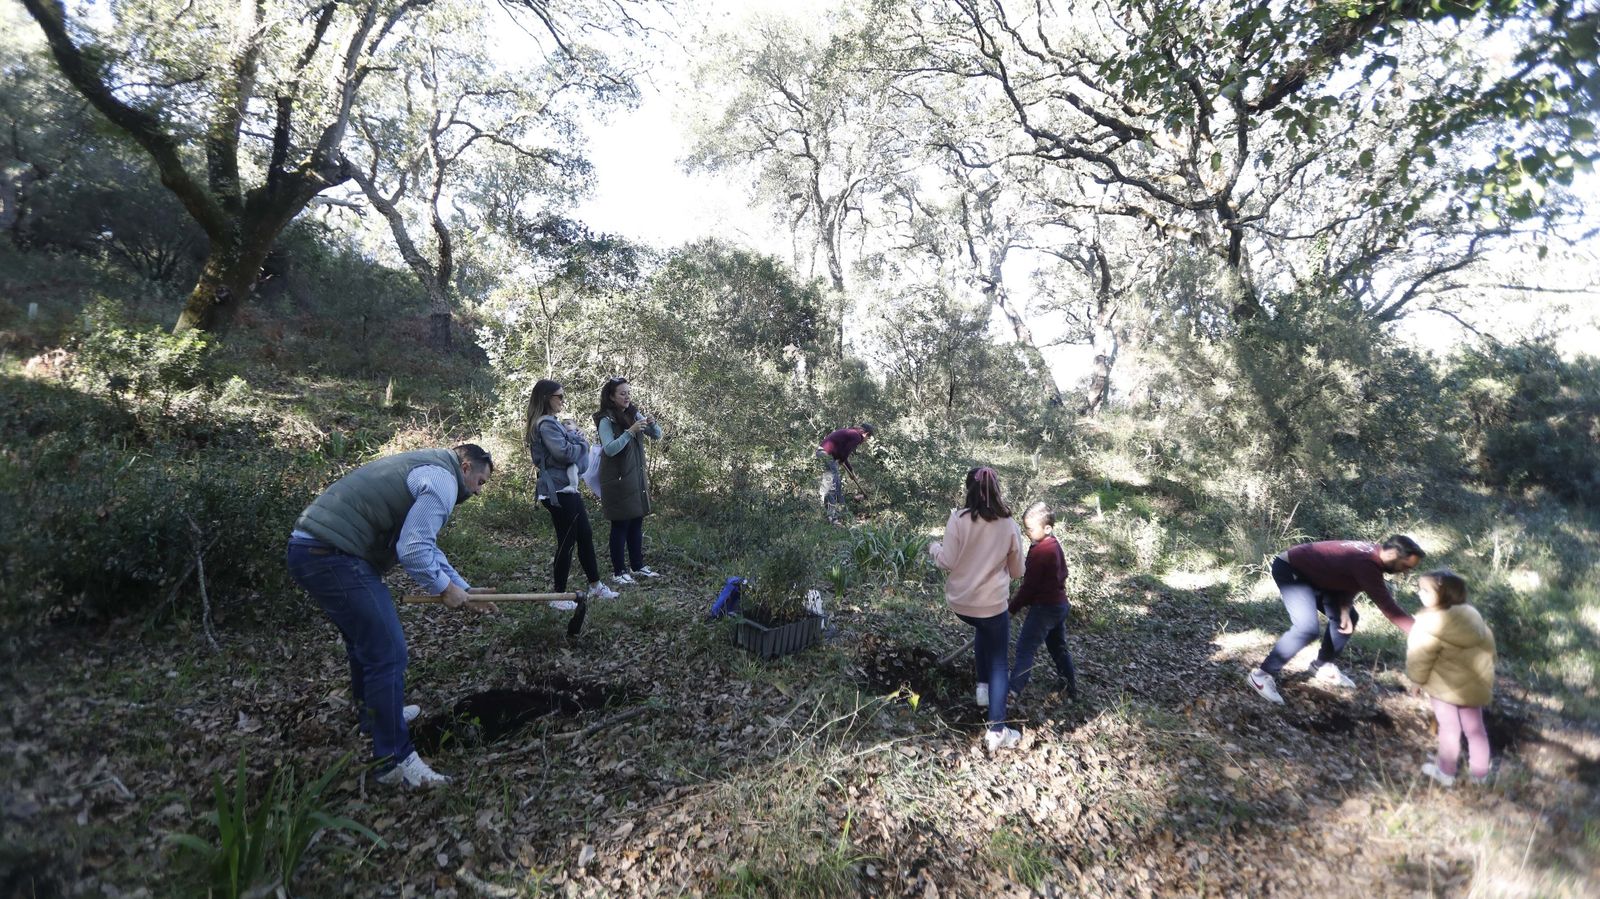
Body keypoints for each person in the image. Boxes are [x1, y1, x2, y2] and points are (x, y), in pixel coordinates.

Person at [285, 444, 499, 788]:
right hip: (331, 554)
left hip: (310, 548)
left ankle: (374, 718)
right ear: (465, 466)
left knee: (365, 644)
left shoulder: (431, 468)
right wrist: (445, 589)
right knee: (388, 652)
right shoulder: (443, 481)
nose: (477, 491)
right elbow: (413, 549)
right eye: (480, 481)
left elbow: (423, 545)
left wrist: (464, 589)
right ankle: (395, 761)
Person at [1247, 535, 1426, 705]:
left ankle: (1322, 665)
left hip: (1317, 576)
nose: (1406, 572)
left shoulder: (1373, 556)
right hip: (1292, 569)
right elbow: (1388, 607)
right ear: (1393, 554)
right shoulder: (1367, 562)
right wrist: (1421, 632)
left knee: (1348, 618)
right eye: (1405, 566)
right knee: (1306, 628)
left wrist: (1345, 607)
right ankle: (1261, 676)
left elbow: (1348, 578)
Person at [929, 467, 1026, 751]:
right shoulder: (1009, 524)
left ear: (967, 490)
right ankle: (997, 730)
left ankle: (983, 689)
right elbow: (1017, 571)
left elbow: (946, 561)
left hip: (962, 604)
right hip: (992, 606)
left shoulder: (958, 519)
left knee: (983, 630)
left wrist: (934, 548)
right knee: (999, 663)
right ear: (997, 490)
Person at [526, 380, 619, 603]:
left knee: (584, 535)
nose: (563, 401)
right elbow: (564, 454)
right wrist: (581, 442)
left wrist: (574, 438)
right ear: (546, 397)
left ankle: (595, 586)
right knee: (567, 541)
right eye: (559, 396)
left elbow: (567, 451)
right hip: (557, 491)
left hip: (566, 489)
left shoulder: (552, 423)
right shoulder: (546, 425)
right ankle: (558, 595)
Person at [1406, 569, 1496, 786]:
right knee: (1476, 730)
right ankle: (1480, 775)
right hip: (1473, 688)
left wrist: (1416, 681)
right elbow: (1490, 654)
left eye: (1425, 590)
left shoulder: (1428, 623)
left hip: (1443, 688)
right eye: (1420, 589)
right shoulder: (1474, 620)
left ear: (1444, 594)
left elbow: (1420, 656)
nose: (1419, 593)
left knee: (1449, 729)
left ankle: (1446, 772)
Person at [593, 377, 664, 585]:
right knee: (620, 524)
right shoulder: (606, 420)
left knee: (636, 521)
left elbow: (657, 435)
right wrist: (629, 432)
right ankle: (619, 571)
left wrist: (652, 423)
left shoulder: (633, 413)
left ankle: (637, 566)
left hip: (635, 477)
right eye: (622, 393)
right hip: (617, 479)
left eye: (628, 393)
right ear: (611, 397)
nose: (627, 397)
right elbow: (610, 449)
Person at [1008, 502, 1078, 700]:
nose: (1027, 532)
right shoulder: (1052, 544)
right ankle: (1069, 686)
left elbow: (1029, 588)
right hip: (1059, 605)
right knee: (1057, 647)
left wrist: (1011, 609)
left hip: (1045, 609)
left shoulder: (1042, 552)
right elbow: (1063, 573)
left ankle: (1013, 690)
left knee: (1025, 647)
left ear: (1047, 528)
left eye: (1030, 529)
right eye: (1026, 528)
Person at [817, 422, 875, 524]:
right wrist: (842, 459)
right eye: (868, 438)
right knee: (833, 486)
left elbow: (843, 455)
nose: (866, 440)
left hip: (824, 453)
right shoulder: (857, 436)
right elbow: (844, 454)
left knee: (835, 484)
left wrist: (851, 471)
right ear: (866, 434)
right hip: (827, 454)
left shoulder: (852, 433)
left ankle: (842, 514)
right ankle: (833, 519)